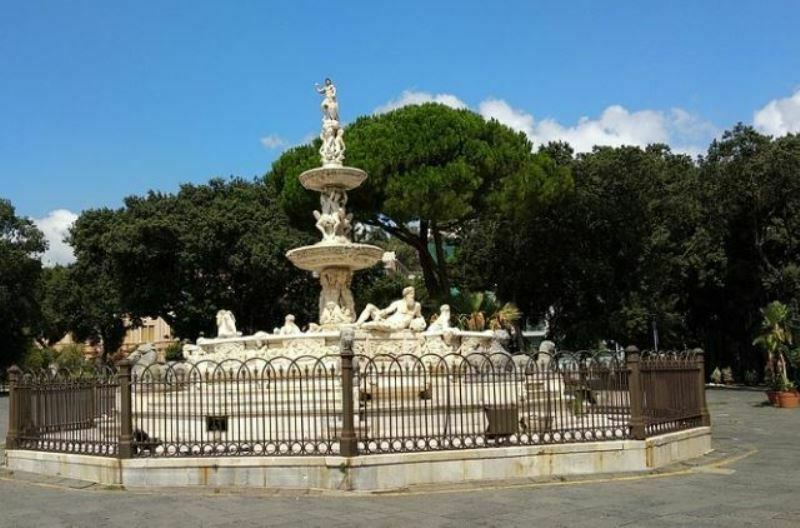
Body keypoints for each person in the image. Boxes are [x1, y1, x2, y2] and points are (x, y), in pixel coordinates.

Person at [357, 286, 426, 331]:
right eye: (411, 294)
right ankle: (357, 324)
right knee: (370, 306)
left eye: (413, 294)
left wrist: (421, 323)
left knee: (375, 324)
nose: (413, 296)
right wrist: (379, 314)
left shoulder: (416, 305)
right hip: (388, 320)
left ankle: (362, 326)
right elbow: (387, 310)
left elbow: (420, 317)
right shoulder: (398, 303)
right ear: (405, 295)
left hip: (395, 326)